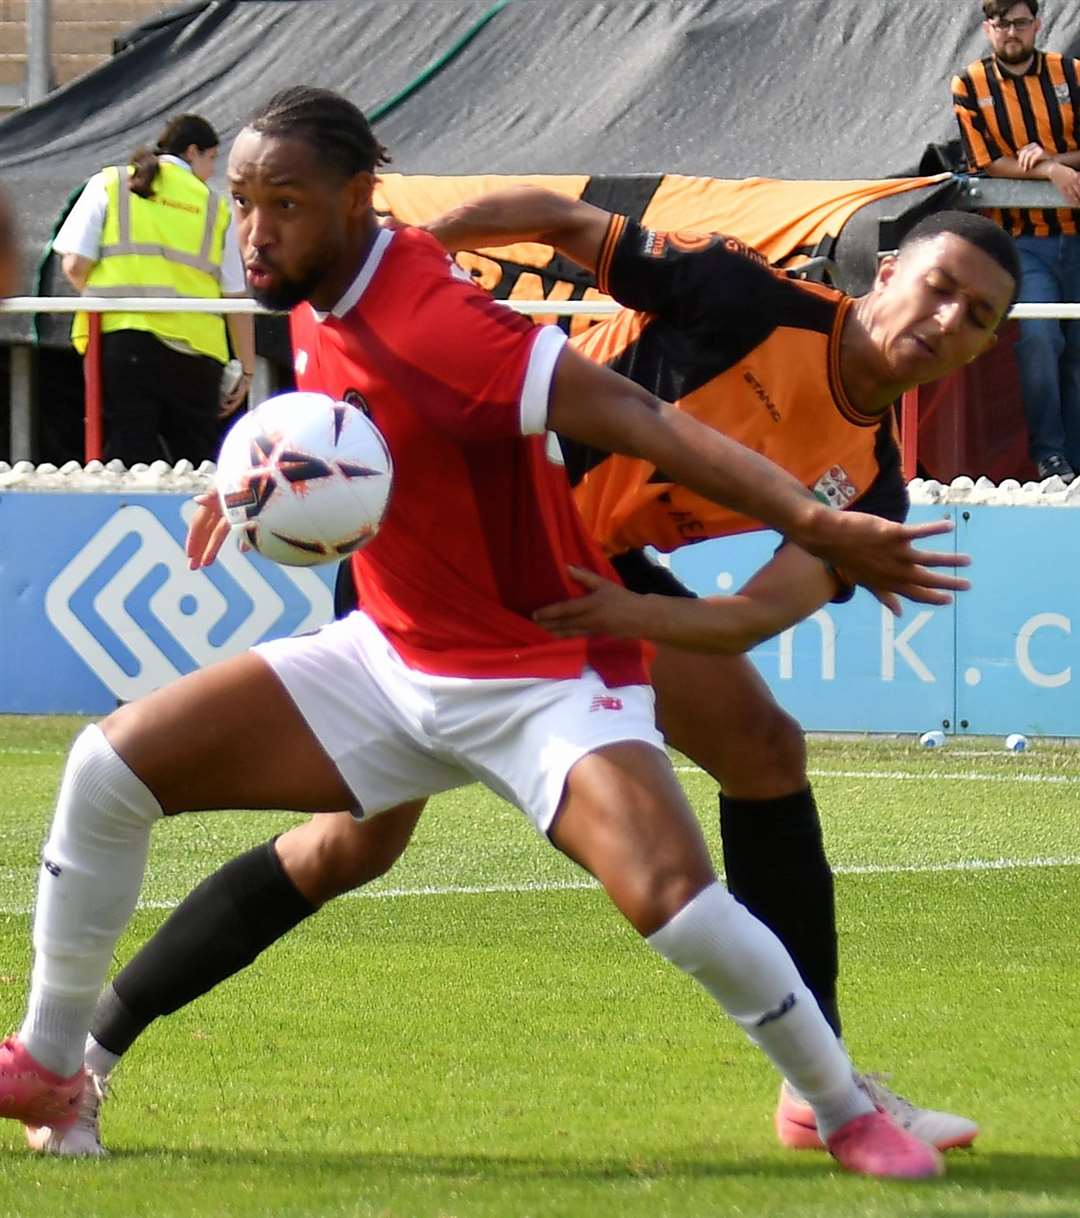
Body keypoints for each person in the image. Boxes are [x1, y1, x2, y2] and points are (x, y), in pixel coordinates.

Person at [0, 86, 971, 1179]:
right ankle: (68, 1055)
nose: (255, 229)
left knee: (738, 785)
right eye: (939, 287)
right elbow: (541, 240)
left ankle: (829, 1093)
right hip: (438, 597)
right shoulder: (743, 300)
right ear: (886, 272)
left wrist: (734, 560)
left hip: (560, 605)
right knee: (316, 834)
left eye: (977, 317)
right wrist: (259, 472)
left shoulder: (871, 474)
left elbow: (741, 585)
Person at [52, 113, 256, 466]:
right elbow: (235, 295)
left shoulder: (110, 184)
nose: (212, 171)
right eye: (212, 159)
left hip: (121, 343)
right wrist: (247, 368)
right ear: (193, 152)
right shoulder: (215, 205)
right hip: (197, 354)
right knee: (198, 466)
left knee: (123, 462)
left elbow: (74, 265)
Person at [952, 0, 1080, 484]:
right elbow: (983, 162)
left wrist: (1052, 157)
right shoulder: (969, 84)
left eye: (1020, 22)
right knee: (1042, 337)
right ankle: (1051, 455)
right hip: (1022, 240)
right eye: (1001, 23)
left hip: (1078, 235)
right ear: (987, 28)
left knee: (1078, 349)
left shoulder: (1070, 73)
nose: (1011, 32)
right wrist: (1048, 169)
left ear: (1038, 25)